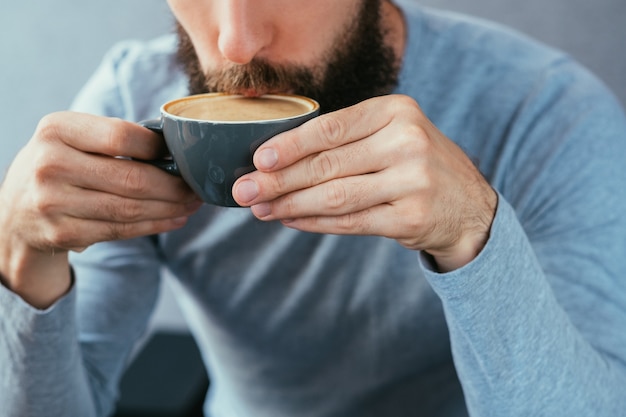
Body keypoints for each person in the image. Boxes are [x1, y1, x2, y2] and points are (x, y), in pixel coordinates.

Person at [1, 0, 625, 415]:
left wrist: (472, 233)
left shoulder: (548, 114)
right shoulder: (132, 101)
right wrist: (21, 261)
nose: (236, 43)